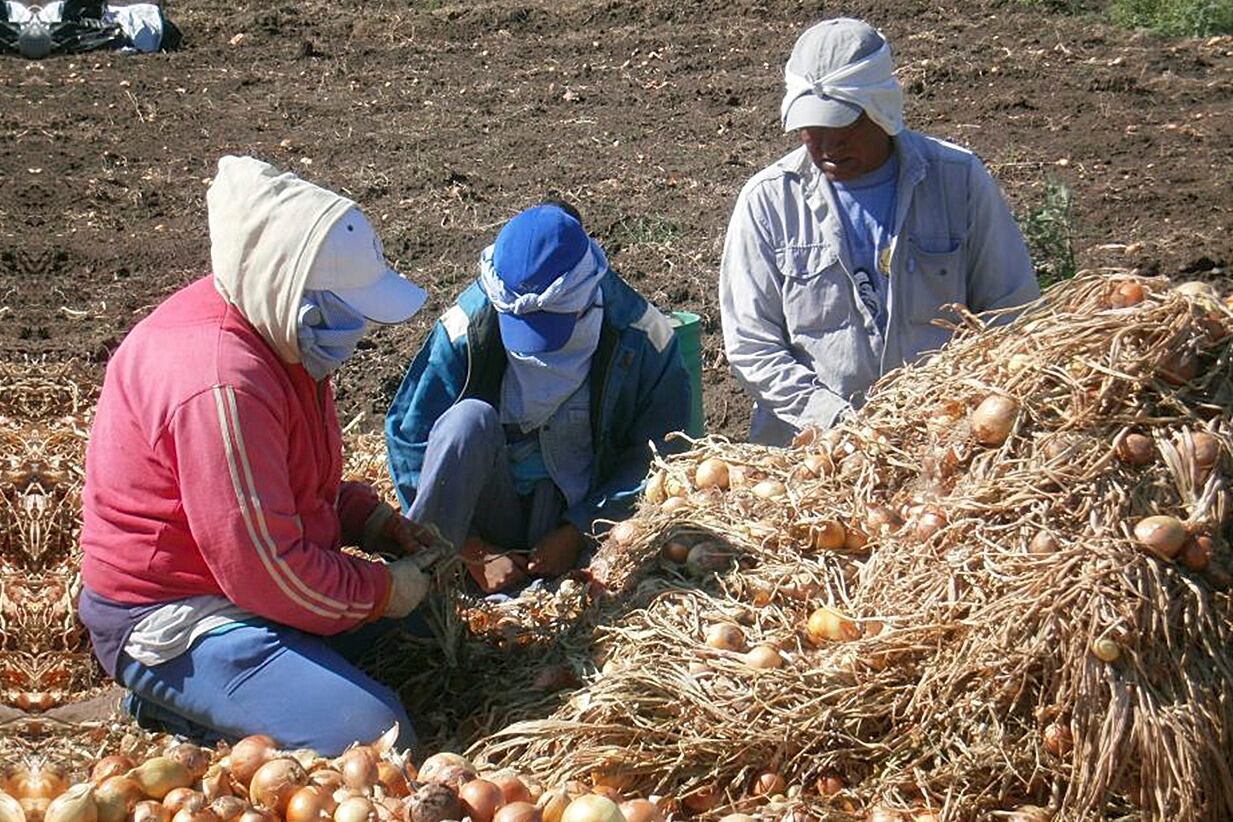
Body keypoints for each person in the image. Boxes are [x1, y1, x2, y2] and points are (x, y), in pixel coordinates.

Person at [77, 155, 445, 756]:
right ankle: (164, 701)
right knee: (378, 738)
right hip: (181, 614)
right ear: (292, 292)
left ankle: (262, 690)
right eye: (350, 309)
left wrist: (372, 521)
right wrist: (380, 591)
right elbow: (265, 570)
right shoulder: (221, 382)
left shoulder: (280, 335)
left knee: (423, 627)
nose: (358, 328)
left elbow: (289, 485)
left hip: (244, 585)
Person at [719, 17, 1040, 446]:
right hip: (809, 453)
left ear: (882, 110)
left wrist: (960, 409)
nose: (827, 146)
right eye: (812, 129)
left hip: (942, 442)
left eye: (842, 127)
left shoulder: (957, 180)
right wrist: (836, 421)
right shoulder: (769, 200)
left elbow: (1011, 311)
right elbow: (751, 345)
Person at [385, 203, 691, 595]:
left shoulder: (640, 334)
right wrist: (473, 551)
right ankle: (433, 582)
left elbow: (658, 452)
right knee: (467, 421)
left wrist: (579, 529)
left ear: (583, 294)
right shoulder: (466, 328)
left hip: (585, 510)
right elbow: (410, 436)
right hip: (491, 508)